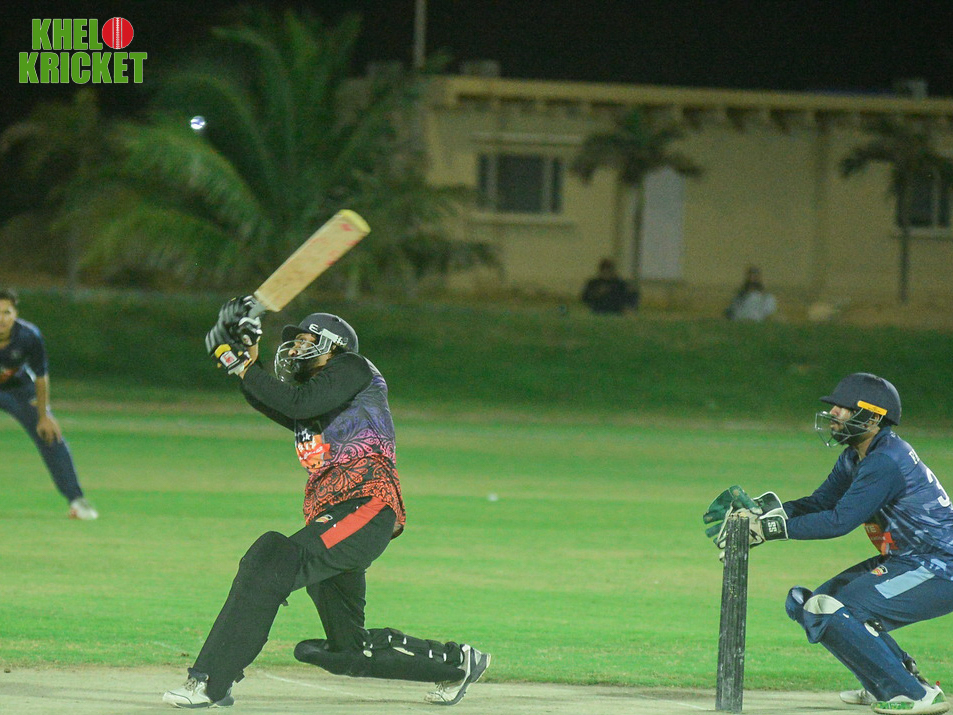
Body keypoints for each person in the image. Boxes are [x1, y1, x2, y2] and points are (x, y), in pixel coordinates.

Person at [163, 299, 490, 708]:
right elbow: (274, 400)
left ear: (333, 345)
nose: (297, 347)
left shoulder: (354, 367)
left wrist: (239, 363)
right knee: (349, 652)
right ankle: (458, 663)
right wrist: (242, 357)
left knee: (270, 560)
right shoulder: (319, 401)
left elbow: (296, 403)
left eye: (305, 339)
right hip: (339, 517)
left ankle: (210, 681)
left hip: (366, 504)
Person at [704, 373, 953, 715]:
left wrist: (770, 530)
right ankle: (889, 683)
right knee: (809, 605)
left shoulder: (885, 461)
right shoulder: (856, 456)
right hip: (910, 559)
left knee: (836, 609)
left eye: (844, 407)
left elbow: (839, 521)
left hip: (939, 567)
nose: (834, 412)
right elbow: (820, 502)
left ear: (873, 418)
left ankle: (910, 693)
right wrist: (763, 515)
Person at [0, 288, 97, 520]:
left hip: (17, 389)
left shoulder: (29, 336)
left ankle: (77, 501)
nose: (1, 319)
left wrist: (44, 416)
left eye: (6, 312)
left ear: (15, 314)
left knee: (50, 435)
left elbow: (41, 377)